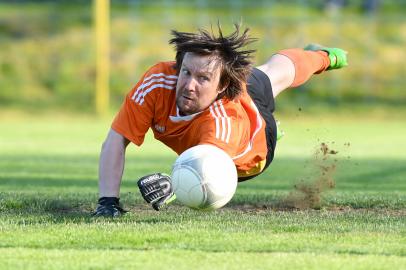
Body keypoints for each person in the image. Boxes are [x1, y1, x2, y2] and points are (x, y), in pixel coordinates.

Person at [93, 24, 348, 217]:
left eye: (203, 78)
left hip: (249, 155)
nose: (190, 85)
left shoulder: (223, 118)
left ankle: (323, 57)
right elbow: (116, 139)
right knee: (268, 73)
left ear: (222, 86)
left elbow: (208, 169)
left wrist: (172, 186)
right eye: (186, 72)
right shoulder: (158, 81)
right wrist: (108, 203)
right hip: (219, 135)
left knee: (272, 74)